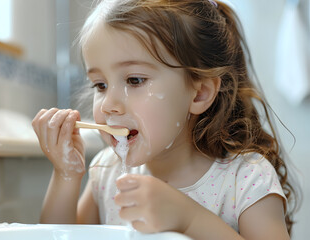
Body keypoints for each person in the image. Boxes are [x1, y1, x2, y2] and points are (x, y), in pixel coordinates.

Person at [32, 0, 298, 239]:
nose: (109, 105)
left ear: (199, 93)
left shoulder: (246, 179)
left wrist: (189, 219)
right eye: (100, 85)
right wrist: (66, 176)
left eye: (134, 80)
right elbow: (59, 237)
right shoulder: (106, 173)